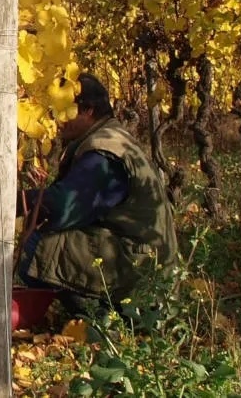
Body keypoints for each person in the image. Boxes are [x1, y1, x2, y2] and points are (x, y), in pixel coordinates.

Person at [17, 73, 179, 318]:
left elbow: (64, 207)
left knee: (35, 246)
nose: (57, 120)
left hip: (142, 277)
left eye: (63, 110)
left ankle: (104, 319)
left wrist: (12, 203)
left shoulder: (104, 153)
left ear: (88, 111)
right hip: (145, 266)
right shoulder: (111, 138)